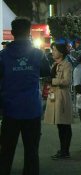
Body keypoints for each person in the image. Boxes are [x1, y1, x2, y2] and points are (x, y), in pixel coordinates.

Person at [0, 17, 50, 175]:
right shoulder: (38, 54)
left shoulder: (2, 55)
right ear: (29, 32)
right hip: (32, 110)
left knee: (6, 152)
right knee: (31, 152)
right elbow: (46, 73)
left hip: (9, 110)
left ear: (12, 33)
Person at [43, 41, 73, 160]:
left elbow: (67, 81)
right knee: (60, 125)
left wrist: (52, 81)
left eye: (54, 50)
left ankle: (65, 151)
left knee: (65, 125)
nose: (52, 52)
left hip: (62, 96)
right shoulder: (54, 64)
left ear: (61, 52)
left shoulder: (66, 65)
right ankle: (63, 149)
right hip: (54, 96)